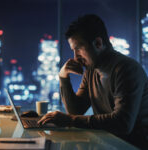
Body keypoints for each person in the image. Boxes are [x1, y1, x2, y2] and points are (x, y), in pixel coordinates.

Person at [38, 14, 148, 149]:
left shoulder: (127, 70)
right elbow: (75, 110)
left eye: (78, 49)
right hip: (107, 144)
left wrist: (70, 120)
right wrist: (63, 78)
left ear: (98, 43)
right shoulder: (91, 71)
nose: (75, 58)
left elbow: (122, 123)